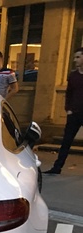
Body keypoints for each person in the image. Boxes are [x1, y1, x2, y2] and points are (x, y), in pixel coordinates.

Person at [44, 47, 83, 175]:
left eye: (78, 57)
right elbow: (69, 93)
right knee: (66, 141)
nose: (75, 60)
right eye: (75, 57)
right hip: (74, 113)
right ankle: (57, 167)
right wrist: (68, 109)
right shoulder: (73, 76)